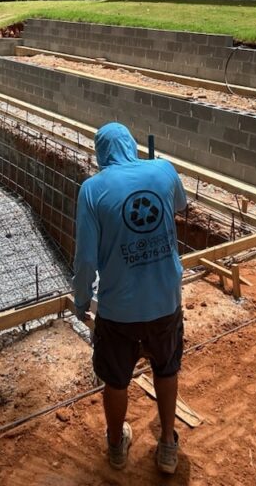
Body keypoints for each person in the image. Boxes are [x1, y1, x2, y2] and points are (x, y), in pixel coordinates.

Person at [73, 122, 188, 474]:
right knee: (167, 370)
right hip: (165, 301)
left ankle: (115, 445)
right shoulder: (164, 170)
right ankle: (168, 443)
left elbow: (86, 260)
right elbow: (179, 207)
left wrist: (80, 302)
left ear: (101, 153)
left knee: (116, 380)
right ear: (132, 146)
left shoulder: (92, 190)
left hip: (119, 310)